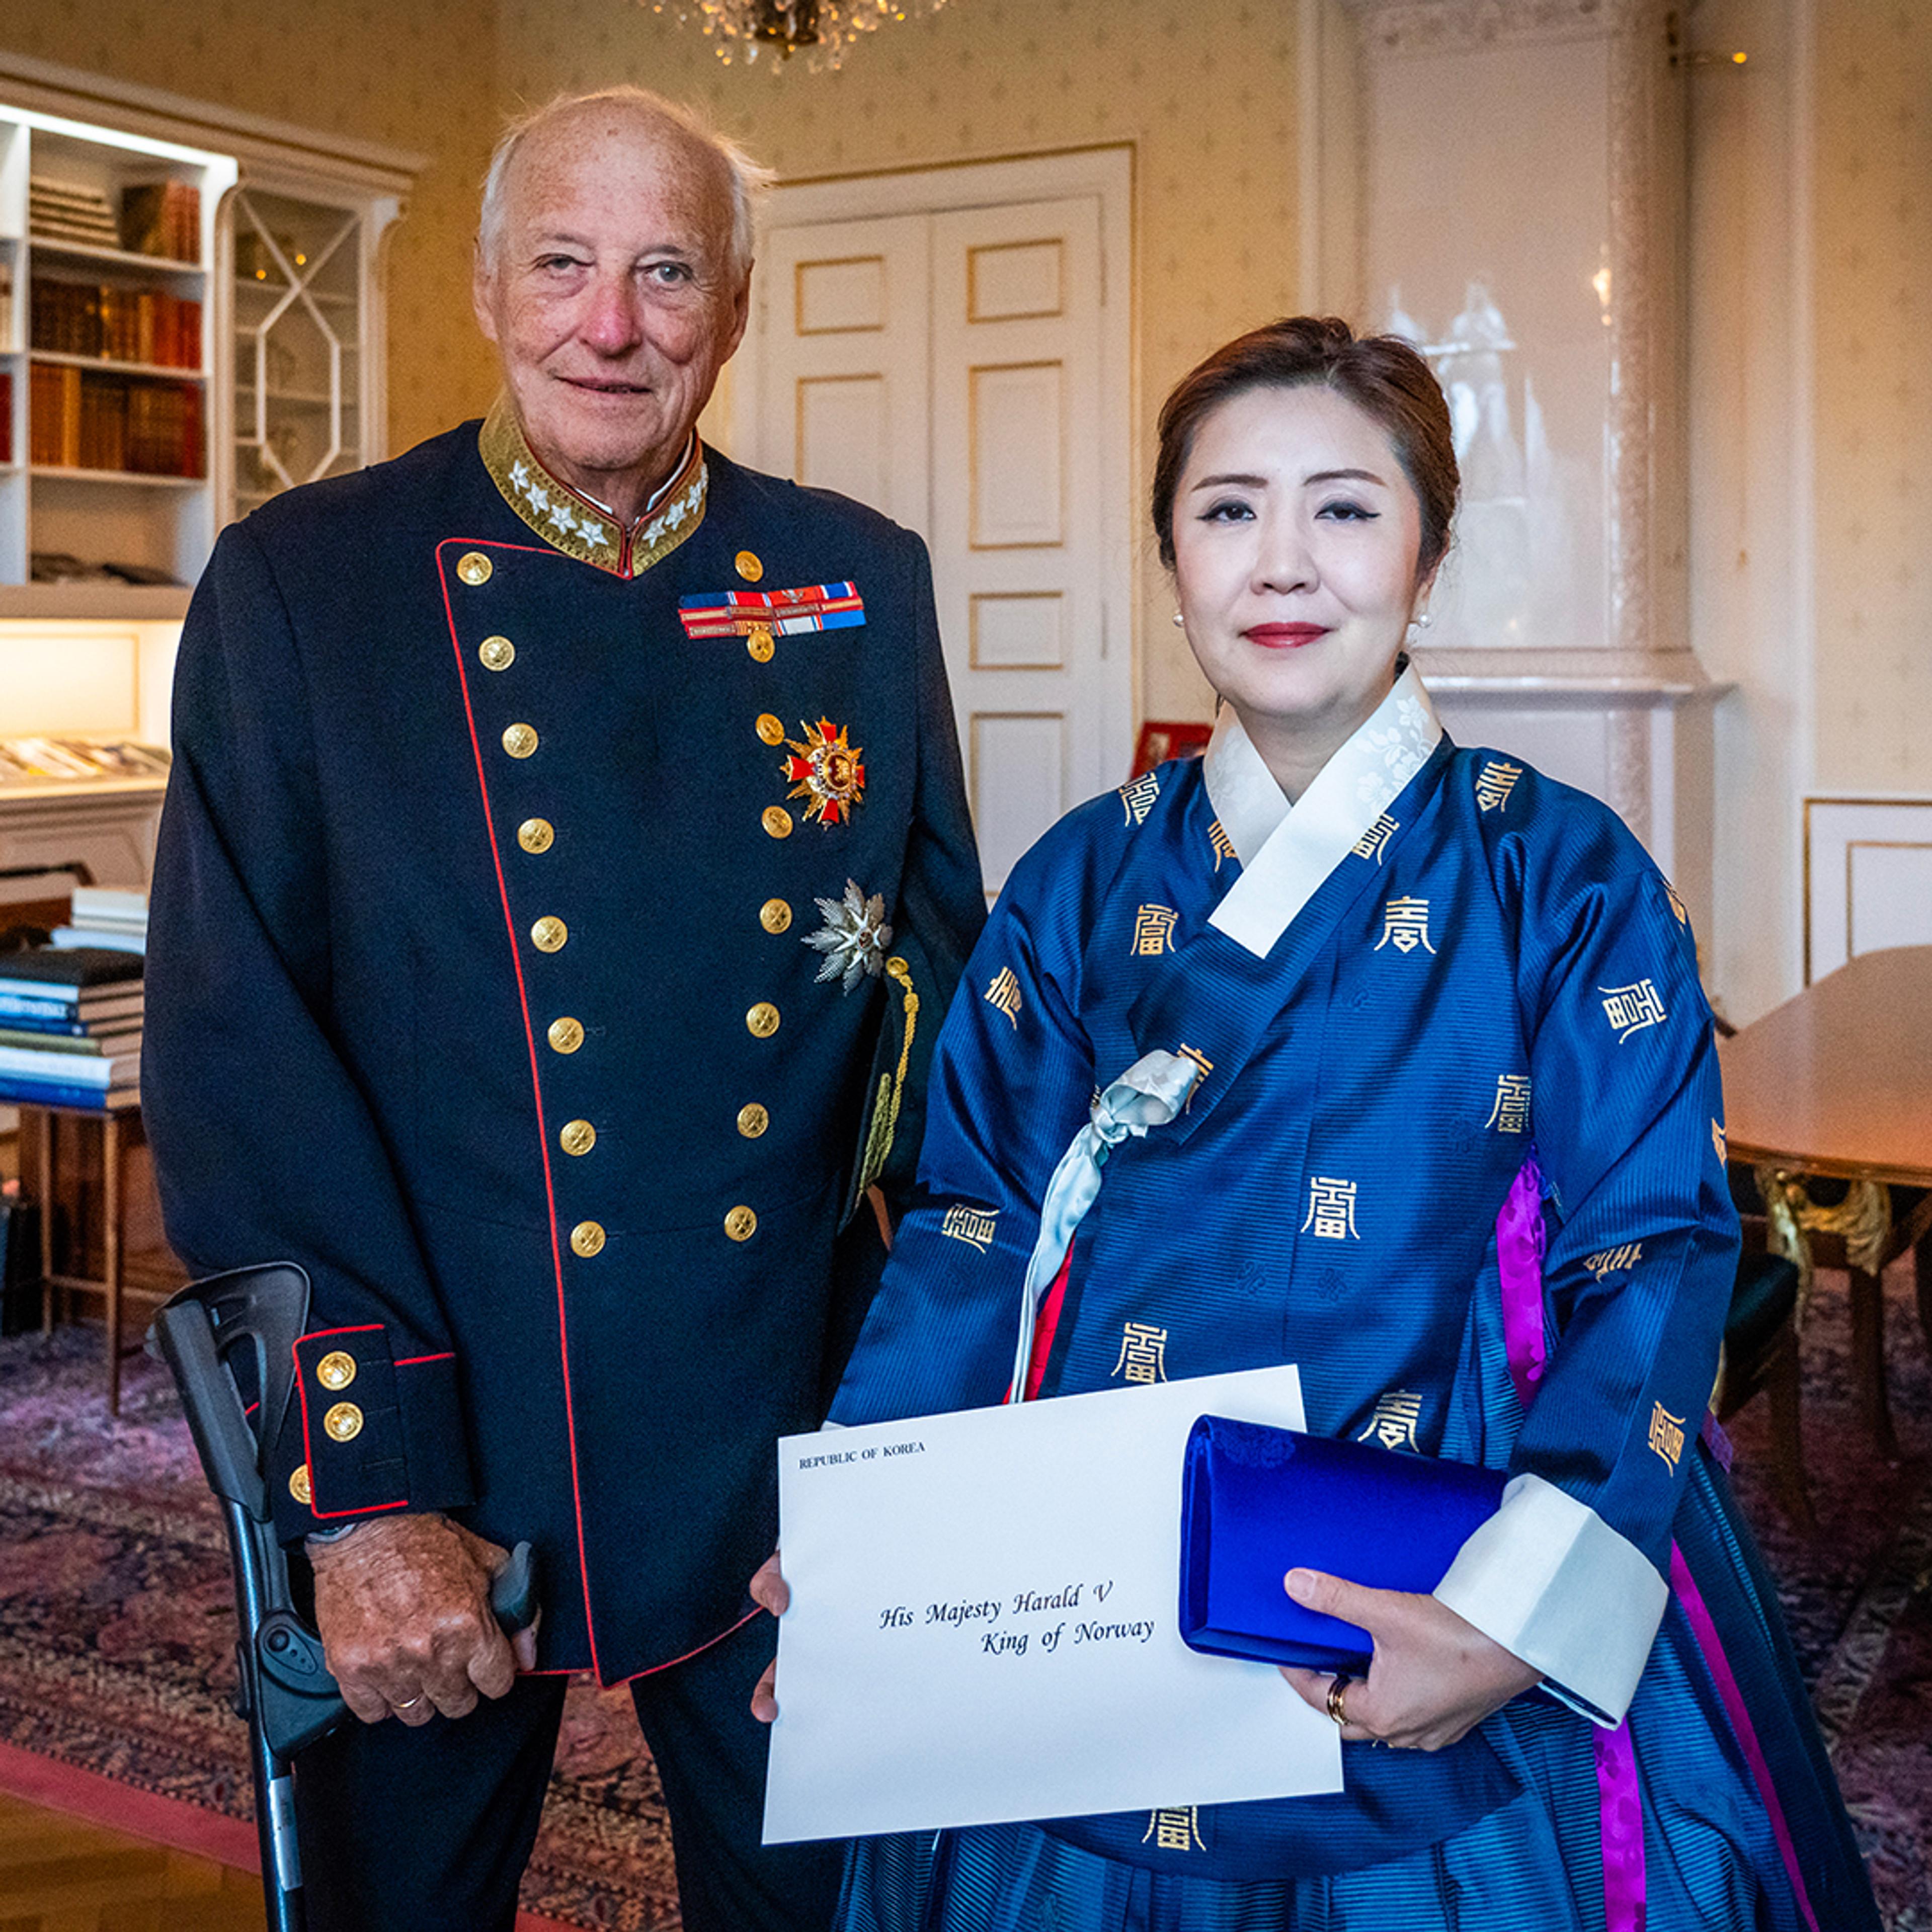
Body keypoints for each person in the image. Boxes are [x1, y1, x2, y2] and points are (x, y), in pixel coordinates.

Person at [754, 317, 1879, 1930]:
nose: (1283, 561)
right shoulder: (1080, 880)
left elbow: (1656, 1247)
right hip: (1107, 1585)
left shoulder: (1556, 876)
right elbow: (974, 1230)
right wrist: (873, 1539)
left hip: (1460, 1538)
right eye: (1227, 512)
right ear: (1171, 559)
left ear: (1426, 555)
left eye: (1345, 508)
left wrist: (1506, 1623)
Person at [142, 85, 983, 1932]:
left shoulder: (861, 583)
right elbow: (239, 1066)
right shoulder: (305, 587)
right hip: (446, 1435)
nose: (611, 324)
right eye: (565, 264)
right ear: (486, 285)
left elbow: (939, 1049)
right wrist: (365, 1500)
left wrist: (918, 1445)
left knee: (836, 1911)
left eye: (667, 270)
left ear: (735, 310)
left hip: (776, 1431)